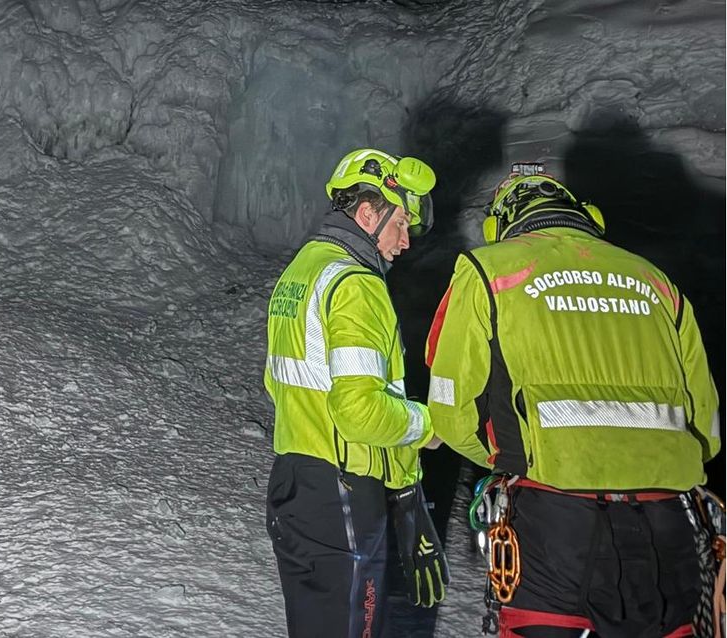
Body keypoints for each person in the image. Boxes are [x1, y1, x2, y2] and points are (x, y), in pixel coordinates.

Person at [425, 163, 722, 638]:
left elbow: (450, 407)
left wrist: (508, 459)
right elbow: (705, 424)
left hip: (553, 516)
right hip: (665, 519)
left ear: (500, 226)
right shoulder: (656, 281)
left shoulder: (488, 270)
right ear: (586, 216)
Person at [264, 148, 449, 638]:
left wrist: (406, 494)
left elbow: (283, 385)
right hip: (342, 491)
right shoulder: (356, 285)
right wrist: (427, 426)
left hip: (295, 482)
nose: (405, 241)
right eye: (401, 223)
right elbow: (359, 411)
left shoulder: (301, 271)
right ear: (368, 214)